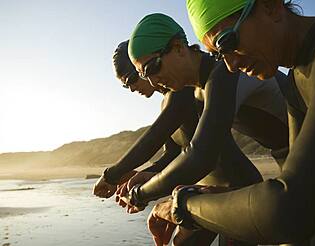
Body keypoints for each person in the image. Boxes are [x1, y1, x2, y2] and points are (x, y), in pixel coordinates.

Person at [145, 0, 315, 245]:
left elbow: (290, 210)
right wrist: (215, 200)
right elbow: (290, 183)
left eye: (227, 42)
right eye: (218, 54)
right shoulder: (297, 80)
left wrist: (184, 206)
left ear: (271, 7)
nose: (230, 64)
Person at [118, 13, 291, 244]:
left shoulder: (224, 72)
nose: (151, 82)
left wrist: (141, 194)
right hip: (290, 170)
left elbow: (202, 156)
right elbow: (190, 151)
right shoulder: (200, 91)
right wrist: (155, 180)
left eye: (151, 68)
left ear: (179, 48)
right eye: (142, 75)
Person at [92, 41, 264, 245]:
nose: (131, 88)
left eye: (131, 79)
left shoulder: (183, 90)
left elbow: (158, 137)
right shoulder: (168, 100)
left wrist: (113, 174)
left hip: (235, 186)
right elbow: (173, 154)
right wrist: (144, 174)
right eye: (124, 85)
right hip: (204, 188)